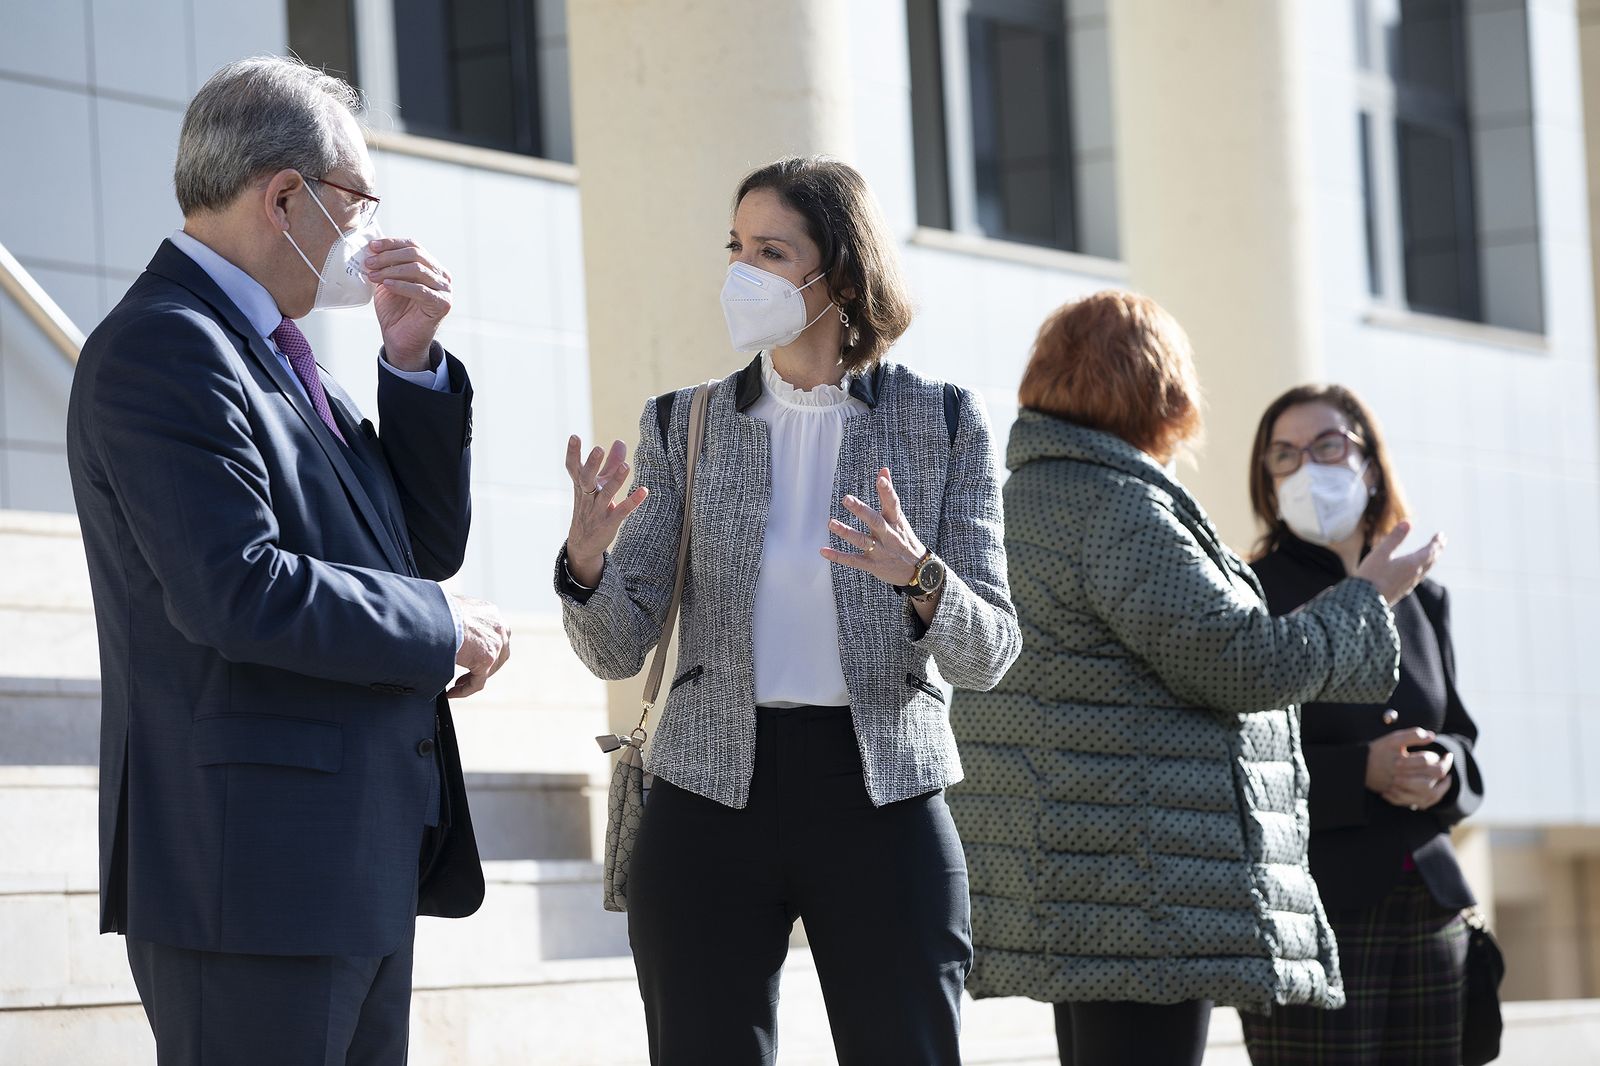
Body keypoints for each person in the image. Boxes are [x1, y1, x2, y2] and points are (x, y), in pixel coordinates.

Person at [66, 56, 510, 1065]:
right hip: (251, 876)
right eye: (356, 201)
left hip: (343, 867)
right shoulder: (168, 347)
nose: (367, 230)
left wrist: (410, 364)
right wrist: (441, 628)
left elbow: (418, 548)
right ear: (284, 197)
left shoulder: (275, 352)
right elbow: (238, 590)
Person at [555, 155, 1021, 1065]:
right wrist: (584, 563)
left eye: (771, 250)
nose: (743, 271)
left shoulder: (945, 421)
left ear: (840, 272)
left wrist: (920, 575)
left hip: (882, 791)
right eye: (737, 246)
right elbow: (616, 649)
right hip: (708, 792)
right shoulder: (680, 422)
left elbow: (991, 651)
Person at [947, 291, 1445, 1066]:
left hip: (1077, 868)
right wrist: (1369, 593)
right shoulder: (1116, 507)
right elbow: (1243, 664)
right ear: (1157, 387)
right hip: (1143, 881)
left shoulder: (1029, 496)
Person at [1238, 384, 1484, 1065]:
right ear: (1266, 478)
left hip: (1432, 905)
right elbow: (1237, 759)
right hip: (1309, 914)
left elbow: (1463, 737)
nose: (1307, 466)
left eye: (1327, 446)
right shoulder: (1249, 593)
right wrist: (1359, 772)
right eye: (1283, 454)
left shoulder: (1425, 595)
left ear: (1369, 464)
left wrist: (1444, 769)